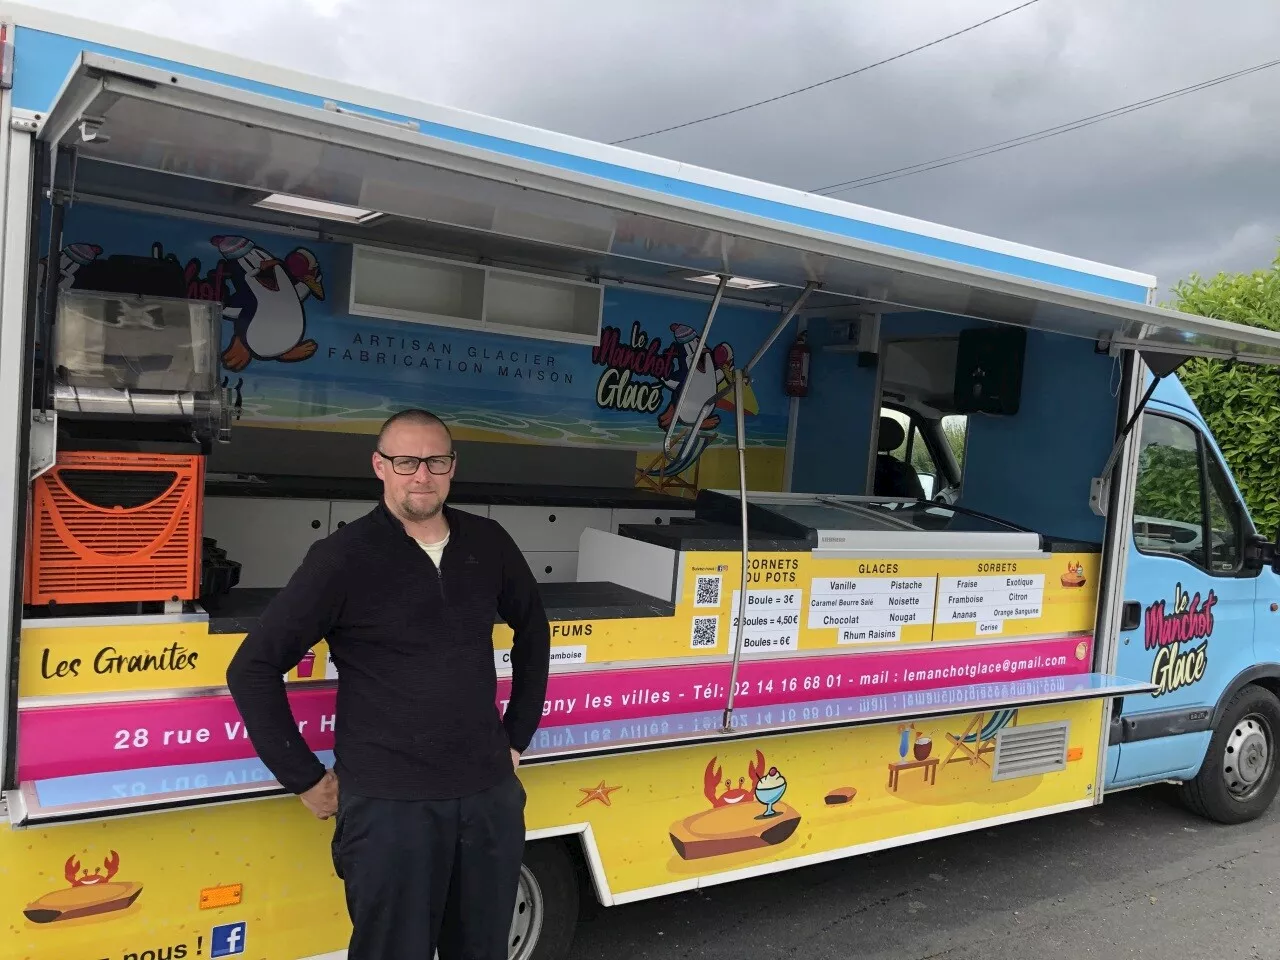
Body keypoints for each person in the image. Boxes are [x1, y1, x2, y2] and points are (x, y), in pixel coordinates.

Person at [226, 408, 550, 960]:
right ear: (380, 466)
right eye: (405, 461)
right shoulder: (342, 557)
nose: (421, 475)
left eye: (435, 461)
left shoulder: (488, 542)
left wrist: (516, 736)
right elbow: (252, 668)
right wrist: (303, 778)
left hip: (486, 798)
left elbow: (533, 631)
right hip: (389, 806)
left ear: (453, 466)